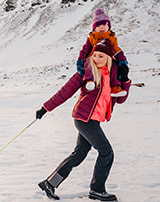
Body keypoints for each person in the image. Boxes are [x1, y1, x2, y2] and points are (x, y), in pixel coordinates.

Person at [36, 39, 131, 201]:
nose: (97, 59)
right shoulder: (86, 72)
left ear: (109, 58)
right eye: (95, 55)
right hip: (84, 119)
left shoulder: (112, 75)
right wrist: (45, 108)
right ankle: (97, 190)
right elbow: (64, 92)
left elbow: (120, 100)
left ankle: (50, 183)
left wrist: (126, 80)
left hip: (94, 120)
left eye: (101, 56)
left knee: (79, 154)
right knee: (106, 152)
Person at [76, 8, 129, 97]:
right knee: (89, 62)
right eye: (98, 26)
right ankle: (89, 81)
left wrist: (122, 63)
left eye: (104, 24)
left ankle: (116, 86)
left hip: (107, 61)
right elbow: (85, 51)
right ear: (94, 28)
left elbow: (117, 51)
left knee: (114, 66)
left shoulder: (112, 39)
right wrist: (80, 61)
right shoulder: (91, 39)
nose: (101, 27)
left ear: (108, 26)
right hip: (95, 61)